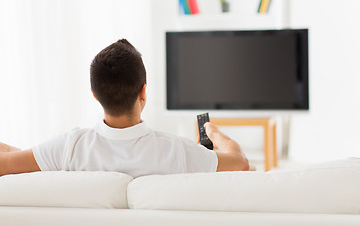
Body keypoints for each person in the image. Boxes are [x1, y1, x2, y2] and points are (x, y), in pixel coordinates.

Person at [0, 39, 249, 177]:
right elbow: (240, 162)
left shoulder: (69, 148)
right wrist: (214, 133)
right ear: (143, 92)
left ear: (94, 95)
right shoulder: (178, 152)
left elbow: (7, 164)